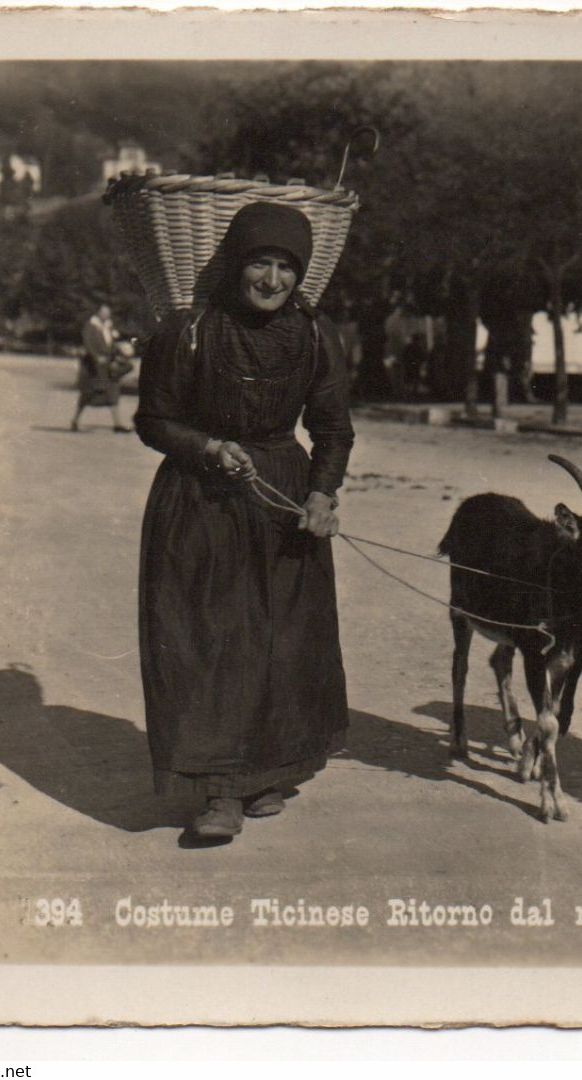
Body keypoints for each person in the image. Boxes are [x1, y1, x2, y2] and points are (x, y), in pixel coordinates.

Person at [134, 202, 355, 840]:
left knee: (283, 640)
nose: (272, 278)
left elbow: (333, 428)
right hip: (200, 502)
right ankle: (218, 791)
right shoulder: (189, 329)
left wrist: (321, 495)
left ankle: (265, 773)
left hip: (282, 497)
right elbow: (153, 420)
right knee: (210, 638)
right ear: (236, 262)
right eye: (261, 260)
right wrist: (205, 448)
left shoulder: (316, 334)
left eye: (287, 266)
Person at [72, 303, 133, 432]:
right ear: (98, 313)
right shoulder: (90, 326)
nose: (106, 315)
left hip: (107, 367)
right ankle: (75, 421)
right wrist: (97, 357)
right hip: (94, 367)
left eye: (108, 313)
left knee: (113, 393)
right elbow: (88, 344)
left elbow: (112, 345)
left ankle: (117, 424)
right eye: (104, 312)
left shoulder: (108, 327)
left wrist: (119, 353)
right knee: (88, 394)